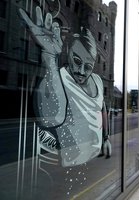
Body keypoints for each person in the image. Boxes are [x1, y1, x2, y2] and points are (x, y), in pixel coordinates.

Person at [18, 7, 109, 167]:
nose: (81, 71)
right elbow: (52, 117)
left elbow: (102, 110)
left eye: (88, 66)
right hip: (71, 165)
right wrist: (50, 58)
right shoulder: (60, 76)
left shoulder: (97, 80)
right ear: (67, 53)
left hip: (96, 159)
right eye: (77, 61)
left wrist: (106, 138)